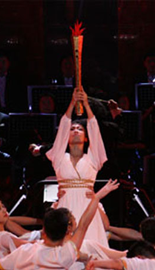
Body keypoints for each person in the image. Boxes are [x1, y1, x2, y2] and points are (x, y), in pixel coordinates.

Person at [46, 87, 109, 247]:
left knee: (91, 247)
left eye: (80, 129)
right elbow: (63, 127)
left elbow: (94, 130)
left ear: (86, 138)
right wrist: (73, 103)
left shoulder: (93, 159)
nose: (75, 131)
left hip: (87, 205)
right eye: (72, 129)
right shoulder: (59, 158)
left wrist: (86, 104)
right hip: (65, 205)